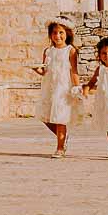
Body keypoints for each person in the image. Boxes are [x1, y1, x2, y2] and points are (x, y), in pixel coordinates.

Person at [31, 16, 80, 158]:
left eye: (61, 33)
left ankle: (60, 148)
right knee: (45, 116)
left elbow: (74, 71)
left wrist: (77, 87)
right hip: (49, 87)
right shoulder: (48, 51)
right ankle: (63, 136)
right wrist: (36, 69)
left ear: (67, 34)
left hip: (63, 88)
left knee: (60, 118)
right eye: (54, 33)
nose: (57, 36)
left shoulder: (70, 51)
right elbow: (44, 71)